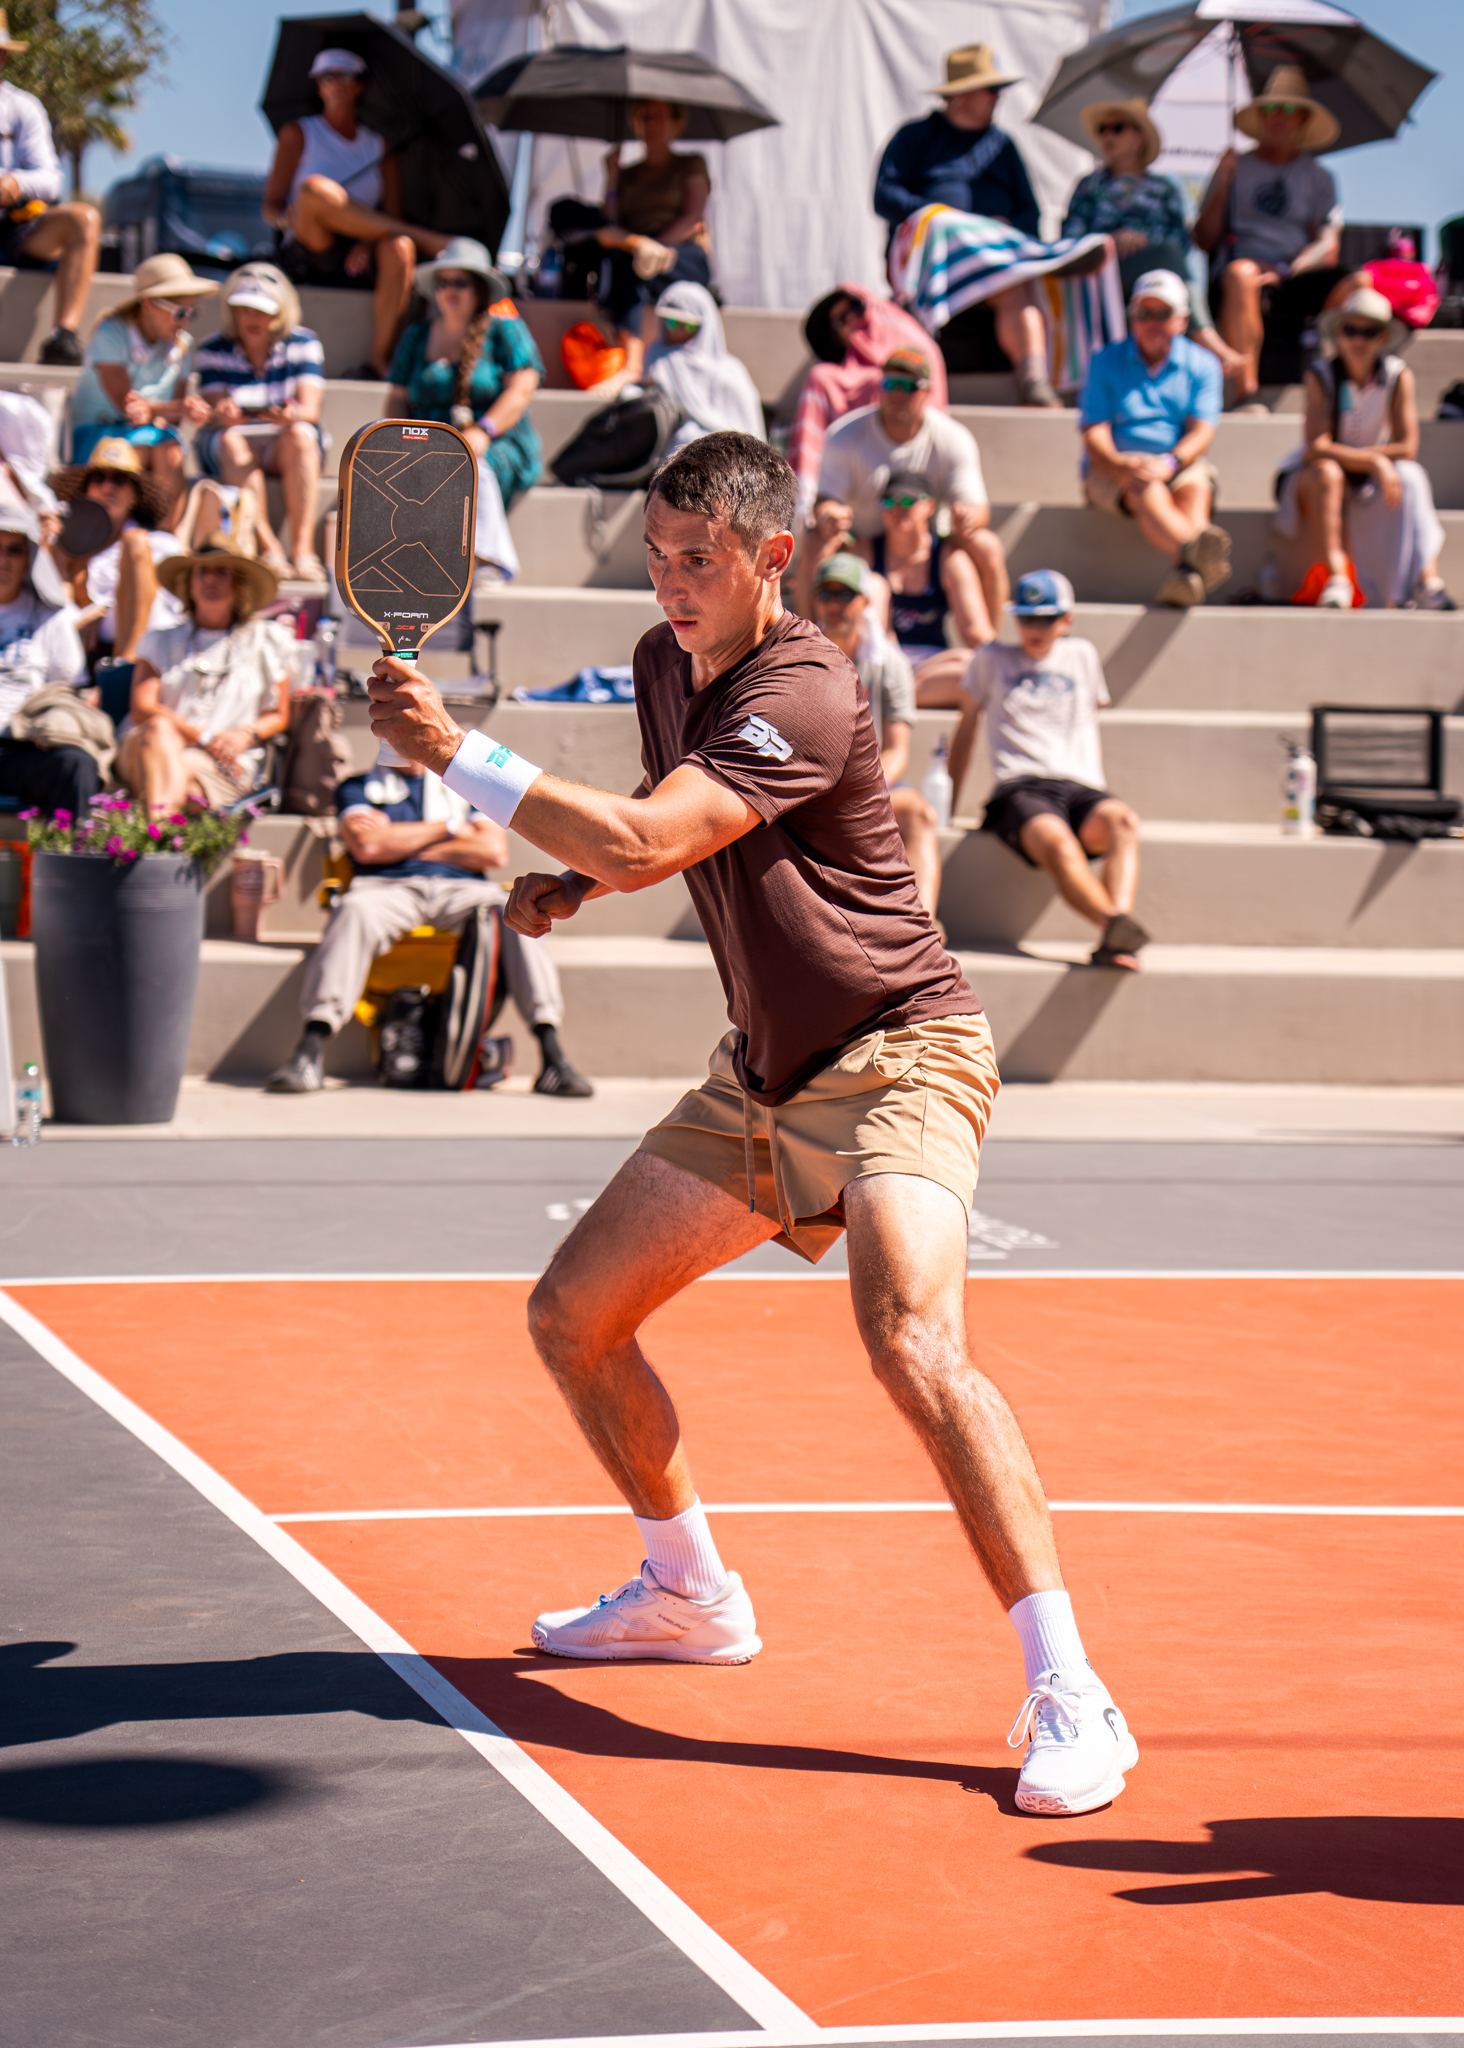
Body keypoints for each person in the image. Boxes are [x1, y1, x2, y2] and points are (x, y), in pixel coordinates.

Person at [364, 430, 1139, 1819]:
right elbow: (665, 829)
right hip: (763, 1077)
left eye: (699, 560)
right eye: (657, 557)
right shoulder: (670, 666)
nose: (671, 583)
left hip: (908, 1053)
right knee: (570, 1317)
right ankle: (687, 1590)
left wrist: (459, 755)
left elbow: (654, 839)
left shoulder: (812, 683)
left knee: (907, 1329)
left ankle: (1072, 1688)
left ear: (770, 558)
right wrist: (574, 888)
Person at [265, 758, 592, 1099]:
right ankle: (309, 1051)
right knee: (354, 910)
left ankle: (553, 1056)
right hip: (387, 889)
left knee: (514, 911)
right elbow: (368, 847)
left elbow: (492, 851)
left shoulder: (469, 787)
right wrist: (451, 827)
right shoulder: (357, 787)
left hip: (462, 892)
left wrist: (397, 840)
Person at [950, 569, 1148, 971]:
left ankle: (1114, 939)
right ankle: (1114, 924)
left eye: (1044, 618)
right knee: (1059, 844)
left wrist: (1096, 783)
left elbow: (1089, 724)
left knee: (1124, 822)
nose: (1033, 628)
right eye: (1026, 618)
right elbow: (966, 727)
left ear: (1066, 621)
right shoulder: (991, 659)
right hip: (1020, 787)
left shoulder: (1082, 655)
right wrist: (949, 801)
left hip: (1080, 786)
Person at [875, 46, 1065, 407]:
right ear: (962, 95)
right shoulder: (915, 137)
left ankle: (1035, 380)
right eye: (991, 89)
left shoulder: (1002, 146)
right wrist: (941, 219)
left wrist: (1001, 227)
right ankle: (1033, 381)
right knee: (1000, 270)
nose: (999, 97)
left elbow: (1030, 214)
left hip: (993, 263)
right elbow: (884, 196)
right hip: (933, 259)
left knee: (1018, 282)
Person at [802, 347, 1006, 657]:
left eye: (908, 386)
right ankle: (807, 647)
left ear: (927, 392)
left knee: (988, 545)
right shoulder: (846, 435)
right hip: (860, 547)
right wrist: (831, 516)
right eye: (890, 384)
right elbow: (825, 502)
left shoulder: (952, 438)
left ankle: (992, 662)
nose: (898, 393)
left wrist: (968, 516)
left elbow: (977, 506)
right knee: (816, 543)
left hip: (926, 549)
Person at [263, 47, 449, 381]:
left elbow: (391, 216)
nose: (334, 83)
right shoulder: (298, 133)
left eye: (343, 76)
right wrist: (285, 217)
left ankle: (380, 358)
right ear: (317, 85)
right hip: (311, 249)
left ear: (359, 84)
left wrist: (365, 243)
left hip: (360, 255)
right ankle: (429, 240)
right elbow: (268, 208)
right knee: (314, 190)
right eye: (326, 76)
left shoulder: (381, 147)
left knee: (401, 246)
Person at [1273, 286, 1453, 611]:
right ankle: (1338, 577)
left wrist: (1374, 462)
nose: (1358, 339)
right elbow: (1316, 448)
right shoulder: (1321, 374)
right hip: (1316, 476)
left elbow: (1407, 446)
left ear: (1382, 337)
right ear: (1338, 334)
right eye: (1350, 330)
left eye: (1368, 332)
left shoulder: (1398, 376)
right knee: (1328, 474)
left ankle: (1427, 582)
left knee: (1411, 476)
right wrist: (1375, 460)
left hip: (1364, 476)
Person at [1062, 98, 1243, 384]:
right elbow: (1069, 240)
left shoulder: (1164, 188)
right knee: (1170, 259)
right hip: (1103, 273)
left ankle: (1196, 341)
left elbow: (1182, 243)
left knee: (1169, 256)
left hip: (1156, 272)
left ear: (1139, 138)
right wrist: (1110, 240)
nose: (1107, 136)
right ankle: (1205, 339)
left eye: (1117, 128)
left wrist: (1145, 241)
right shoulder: (1089, 186)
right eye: (1103, 130)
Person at [1079, 269, 1229, 608]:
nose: (1152, 322)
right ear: (1131, 317)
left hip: (1177, 460)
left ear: (1182, 320)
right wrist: (1119, 465)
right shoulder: (1105, 361)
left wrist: (1171, 462)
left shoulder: (1202, 364)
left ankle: (1186, 574)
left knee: (1194, 489)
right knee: (1147, 486)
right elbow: (1094, 431)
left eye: (1162, 313)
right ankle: (1195, 551)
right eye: (1143, 313)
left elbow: (1202, 430)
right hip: (1112, 466)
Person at [1193, 67, 1343, 402]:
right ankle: (1245, 393)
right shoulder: (1234, 166)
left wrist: (1287, 268)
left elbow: (1328, 244)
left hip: (1295, 273)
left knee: (1358, 285)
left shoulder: (1319, 177)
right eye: (1271, 108)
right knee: (1241, 275)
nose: (1279, 117)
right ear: (1260, 115)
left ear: (1303, 118)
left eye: (1289, 109)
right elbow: (1203, 239)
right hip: (1242, 273)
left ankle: (1347, 388)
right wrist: (1221, 184)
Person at [117, 538, 291, 816]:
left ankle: (156, 837)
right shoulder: (160, 640)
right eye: (202, 571)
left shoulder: (270, 640)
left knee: (189, 792)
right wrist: (204, 738)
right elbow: (142, 708)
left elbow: (280, 714)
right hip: (152, 744)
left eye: (222, 571)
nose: (210, 579)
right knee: (160, 729)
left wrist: (244, 735)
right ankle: (161, 841)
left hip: (227, 759)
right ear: (189, 582)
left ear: (239, 583)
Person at [810, 550, 941, 916]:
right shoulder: (796, 655)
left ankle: (923, 925)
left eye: (845, 595)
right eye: (827, 594)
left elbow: (898, 750)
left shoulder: (891, 663)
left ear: (864, 602)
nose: (835, 605)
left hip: (870, 782)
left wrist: (860, 789)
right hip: (807, 782)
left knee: (919, 814)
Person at [387, 236, 543, 523]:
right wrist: (401, 443)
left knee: (468, 466)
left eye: (460, 282)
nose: (449, 290)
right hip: (429, 443)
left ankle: (487, 563)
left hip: (496, 441)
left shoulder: (505, 330)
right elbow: (397, 399)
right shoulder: (416, 335)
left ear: (479, 289)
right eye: (442, 283)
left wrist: (483, 431)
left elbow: (522, 389)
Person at [193, 265, 326, 583]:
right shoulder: (211, 348)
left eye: (261, 310)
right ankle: (269, 548)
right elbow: (214, 409)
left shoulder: (305, 343)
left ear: (279, 311)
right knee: (230, 440)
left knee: (301, 436)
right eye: (244, 309)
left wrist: (289, 415)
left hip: (284, 441)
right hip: (234, 441)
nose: (252, 317)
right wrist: (223, 411)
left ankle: (303, 549)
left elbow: (310, 410)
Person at [69, 253, 216, 526]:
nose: (185, 322)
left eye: (192, 313)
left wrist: (181, 412)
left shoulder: (183, 343)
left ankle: (164, 535)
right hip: (96, 435)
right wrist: (179, 409)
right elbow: (128, 407)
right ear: (149, 305)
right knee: (162, 448)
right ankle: (154, 532)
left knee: (168, 446)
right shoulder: (110, 332)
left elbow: (167, 416)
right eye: (179, 313)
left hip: (148, 435)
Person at [788, 282, 950, 528]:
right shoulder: (829, 379)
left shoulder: (918, 346)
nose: (851, 319)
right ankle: (804, 503)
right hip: (854, 499)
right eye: (840, 320)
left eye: (855, 307)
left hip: (912, 493)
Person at [0, 10, 101, 367]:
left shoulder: (22, 107)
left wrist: (14, 183)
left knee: (83, 218)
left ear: (5, 56)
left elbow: (50, 179)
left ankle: (64, 337)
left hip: (16, 225)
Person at [588, 99, 714, 386]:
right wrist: (611, 178)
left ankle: (632, 363)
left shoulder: (691, 163)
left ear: (676, 123)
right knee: (624, 263)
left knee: (647, 261)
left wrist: (654, 248)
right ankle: (632, 363)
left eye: (657, 116)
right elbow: (611, 221)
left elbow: (693, 216)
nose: (650, 123)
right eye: (644, 116)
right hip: (635, 257)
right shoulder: (629, 173)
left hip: (679, 251)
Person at [856, 467, 994, 707]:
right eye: (889, 501)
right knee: (875, 585)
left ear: (929, 507)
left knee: (975, 667)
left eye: (908, 500)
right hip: (880, 663)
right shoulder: (864, 553)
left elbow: (976, 632)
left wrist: (999, 662)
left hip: (931, 669)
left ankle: (897, 694)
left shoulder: (948, 559)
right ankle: (891, 690)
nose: (898, 508)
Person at [51, 437, 184, 663]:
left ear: (135, 495)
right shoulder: (65, 543)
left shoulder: (159, 544)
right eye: (99, 478)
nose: (108, 486)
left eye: (120, 480)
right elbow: (57, 601)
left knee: (135, 543)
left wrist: (106, 610)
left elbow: (173, 608)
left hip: (146, 652)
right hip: (81, 651)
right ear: (86, 490)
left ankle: (126, 665)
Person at [0, 502, 94, 816]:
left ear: (28, 557)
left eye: (14, 550)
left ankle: (71, 860)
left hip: (21, 743)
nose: (4, 561)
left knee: (75, 764)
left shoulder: (51, 618)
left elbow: (70, 688)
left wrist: (50, 724)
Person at [643, 282, 763, 449]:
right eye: (672, 323)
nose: (678, 331)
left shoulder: (730, 370)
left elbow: (749, 431)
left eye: (689, 325)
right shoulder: (658, 357)